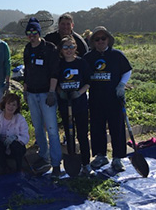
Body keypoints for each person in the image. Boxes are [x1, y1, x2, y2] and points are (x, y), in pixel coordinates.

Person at [84, 26, 132, 172]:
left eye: (103, 38)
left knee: (116, 127)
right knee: (97, 128)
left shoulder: (117, 55)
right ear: (93, 42)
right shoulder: (88, 57)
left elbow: (127, 70)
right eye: (97, 39)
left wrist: (122, 85)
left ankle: (117, 158)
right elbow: (82, 75)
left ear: (108, 40)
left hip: (114, 98)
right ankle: (101, 155)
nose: (100, 41)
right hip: (95, 98)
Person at [22, 17, 62, 178]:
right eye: (29, 33)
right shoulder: (27, 48)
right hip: (32, 93)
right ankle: (43, 157)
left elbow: (54, 72)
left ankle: (56, 163)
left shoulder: (49, 48)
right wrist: (25, 90)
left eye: (34, 32)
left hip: (46, 94)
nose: (32, 35)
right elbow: (27, 71)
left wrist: (52, 92)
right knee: (38, 128)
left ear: (39, 32)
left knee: (52, 129)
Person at [56, 36, 95, 177]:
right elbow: (55, 82)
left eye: (71, 47)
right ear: (61, 49)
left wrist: (79, 92)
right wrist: (60, 93)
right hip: (65, 105)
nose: (68, 50)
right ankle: (72, 159)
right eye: (65, 47)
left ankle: (86, 163)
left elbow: (88, 81)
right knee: (69, 134)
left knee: (82, 135)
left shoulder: (81, 63)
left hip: (80, 105)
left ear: (75, 48)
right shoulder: (59, 64)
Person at [0, 93, 29, 173]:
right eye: (8, 104)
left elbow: (26, 138)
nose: (10, 107)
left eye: (14, 105)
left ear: (17, 107)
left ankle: (19, 168)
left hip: (15, 150)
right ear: (4, 104)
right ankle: (5, 168)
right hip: (2, 149)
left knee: (16, 144)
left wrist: (16, 137)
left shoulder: (20, 119)